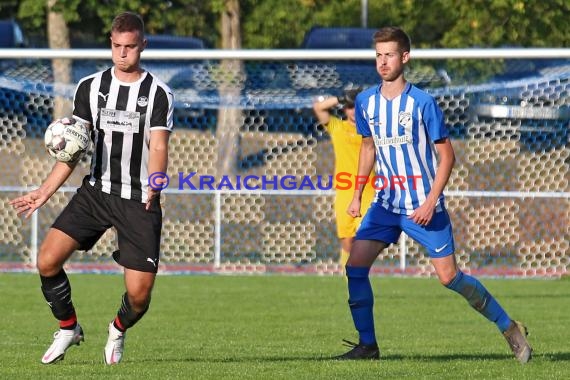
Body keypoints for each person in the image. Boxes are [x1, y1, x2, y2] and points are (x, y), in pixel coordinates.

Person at [335, 26, 532, 363]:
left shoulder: (422, 103)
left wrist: (430, 201)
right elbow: (368, 147)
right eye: (379, 55)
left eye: (390, 55)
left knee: (449, 277)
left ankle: (509, 326)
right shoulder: (366, 101)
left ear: (405, 58)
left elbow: (447, 156)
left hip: (422, 205)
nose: (383, 62)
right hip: (385, 204)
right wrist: (356, 194)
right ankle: (367, 345)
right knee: (355, 266)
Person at [10, 11, 173, 365]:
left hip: (139, 201)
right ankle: (68, 328)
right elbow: (73, 148)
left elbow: (158, 146)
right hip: (96, 193)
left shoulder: (158, 94)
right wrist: (44, 191)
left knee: (140, 296)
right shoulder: (90, 87)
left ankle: (117, 329)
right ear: (110, 44)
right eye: (117, 46)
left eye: (130, 47)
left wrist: (157, 181)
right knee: (47, 260)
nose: (123, 54)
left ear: (142, 46)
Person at [313, 87, 376, 271]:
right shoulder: (338, 128)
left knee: (364, 235)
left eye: (357, 107)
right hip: (344, 190)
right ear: (344, 110)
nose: (353, 111)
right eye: (349, 107)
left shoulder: (374, 129)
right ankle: (349, 275)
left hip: (368, 189)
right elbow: (319, 108)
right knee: (347, 239)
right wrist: (340, 97)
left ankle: (360, 275)